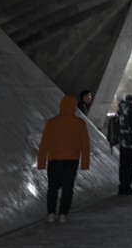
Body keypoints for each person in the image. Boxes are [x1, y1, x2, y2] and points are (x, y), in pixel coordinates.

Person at [36, 94, 91, 222]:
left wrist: (41, 163)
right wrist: (85, 164)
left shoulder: (52, 122)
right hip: (72, 160)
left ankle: (50, 214)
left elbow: (44, 144)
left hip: (54, 159)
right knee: (68, 188)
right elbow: (85, 145)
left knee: (52, 187)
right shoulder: (80, 123)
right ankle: (63, 215)